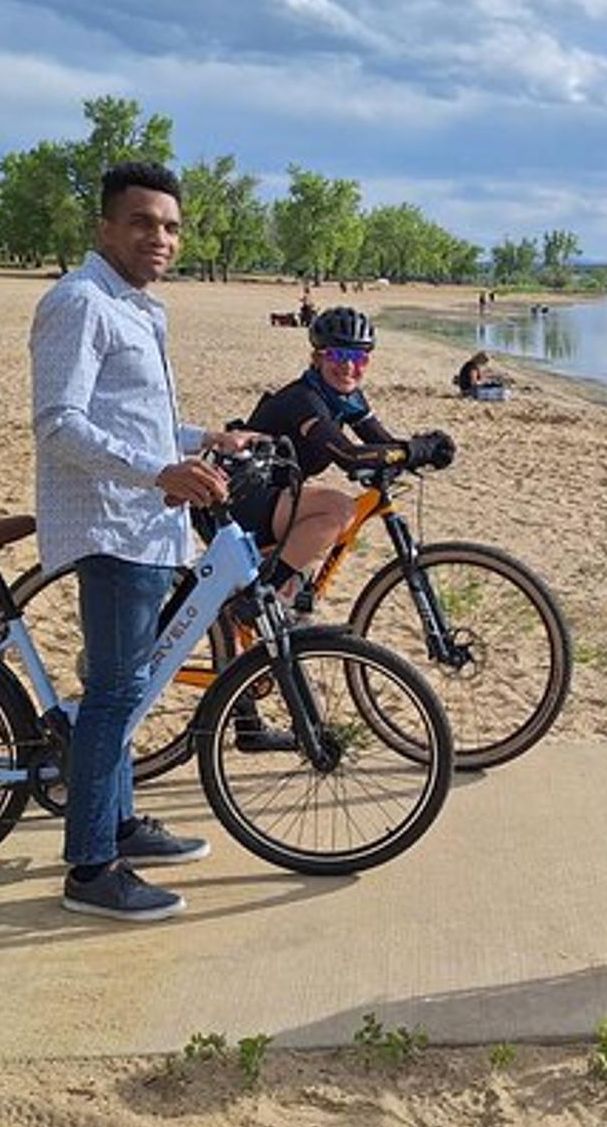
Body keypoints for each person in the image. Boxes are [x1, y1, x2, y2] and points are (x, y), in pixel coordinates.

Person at [30, 160, 258, 923]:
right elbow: (59, 424)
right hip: (114, 527)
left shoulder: (134, 306)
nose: (159, 237)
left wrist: (204, 438)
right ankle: (92, 867)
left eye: (170, 226)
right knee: (114, 694)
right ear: (105, 227)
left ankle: (120, 822)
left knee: (125, 684)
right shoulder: (80, 302)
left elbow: (134, 418)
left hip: (147, 526)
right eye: (142, 222)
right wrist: (159, 470)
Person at [222, 307, 453, 607]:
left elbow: (382, 443)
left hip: (275, 496)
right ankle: (257, 597)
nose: (348, 366)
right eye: (337, 355)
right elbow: (349, 456)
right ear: (317, 358)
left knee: (300, 582)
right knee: (339, 509)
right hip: (243, 498)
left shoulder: (347, 398)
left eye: (359, 358)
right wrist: (411, 451)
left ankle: (274, 598)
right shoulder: (303, 399)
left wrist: (422, 451)